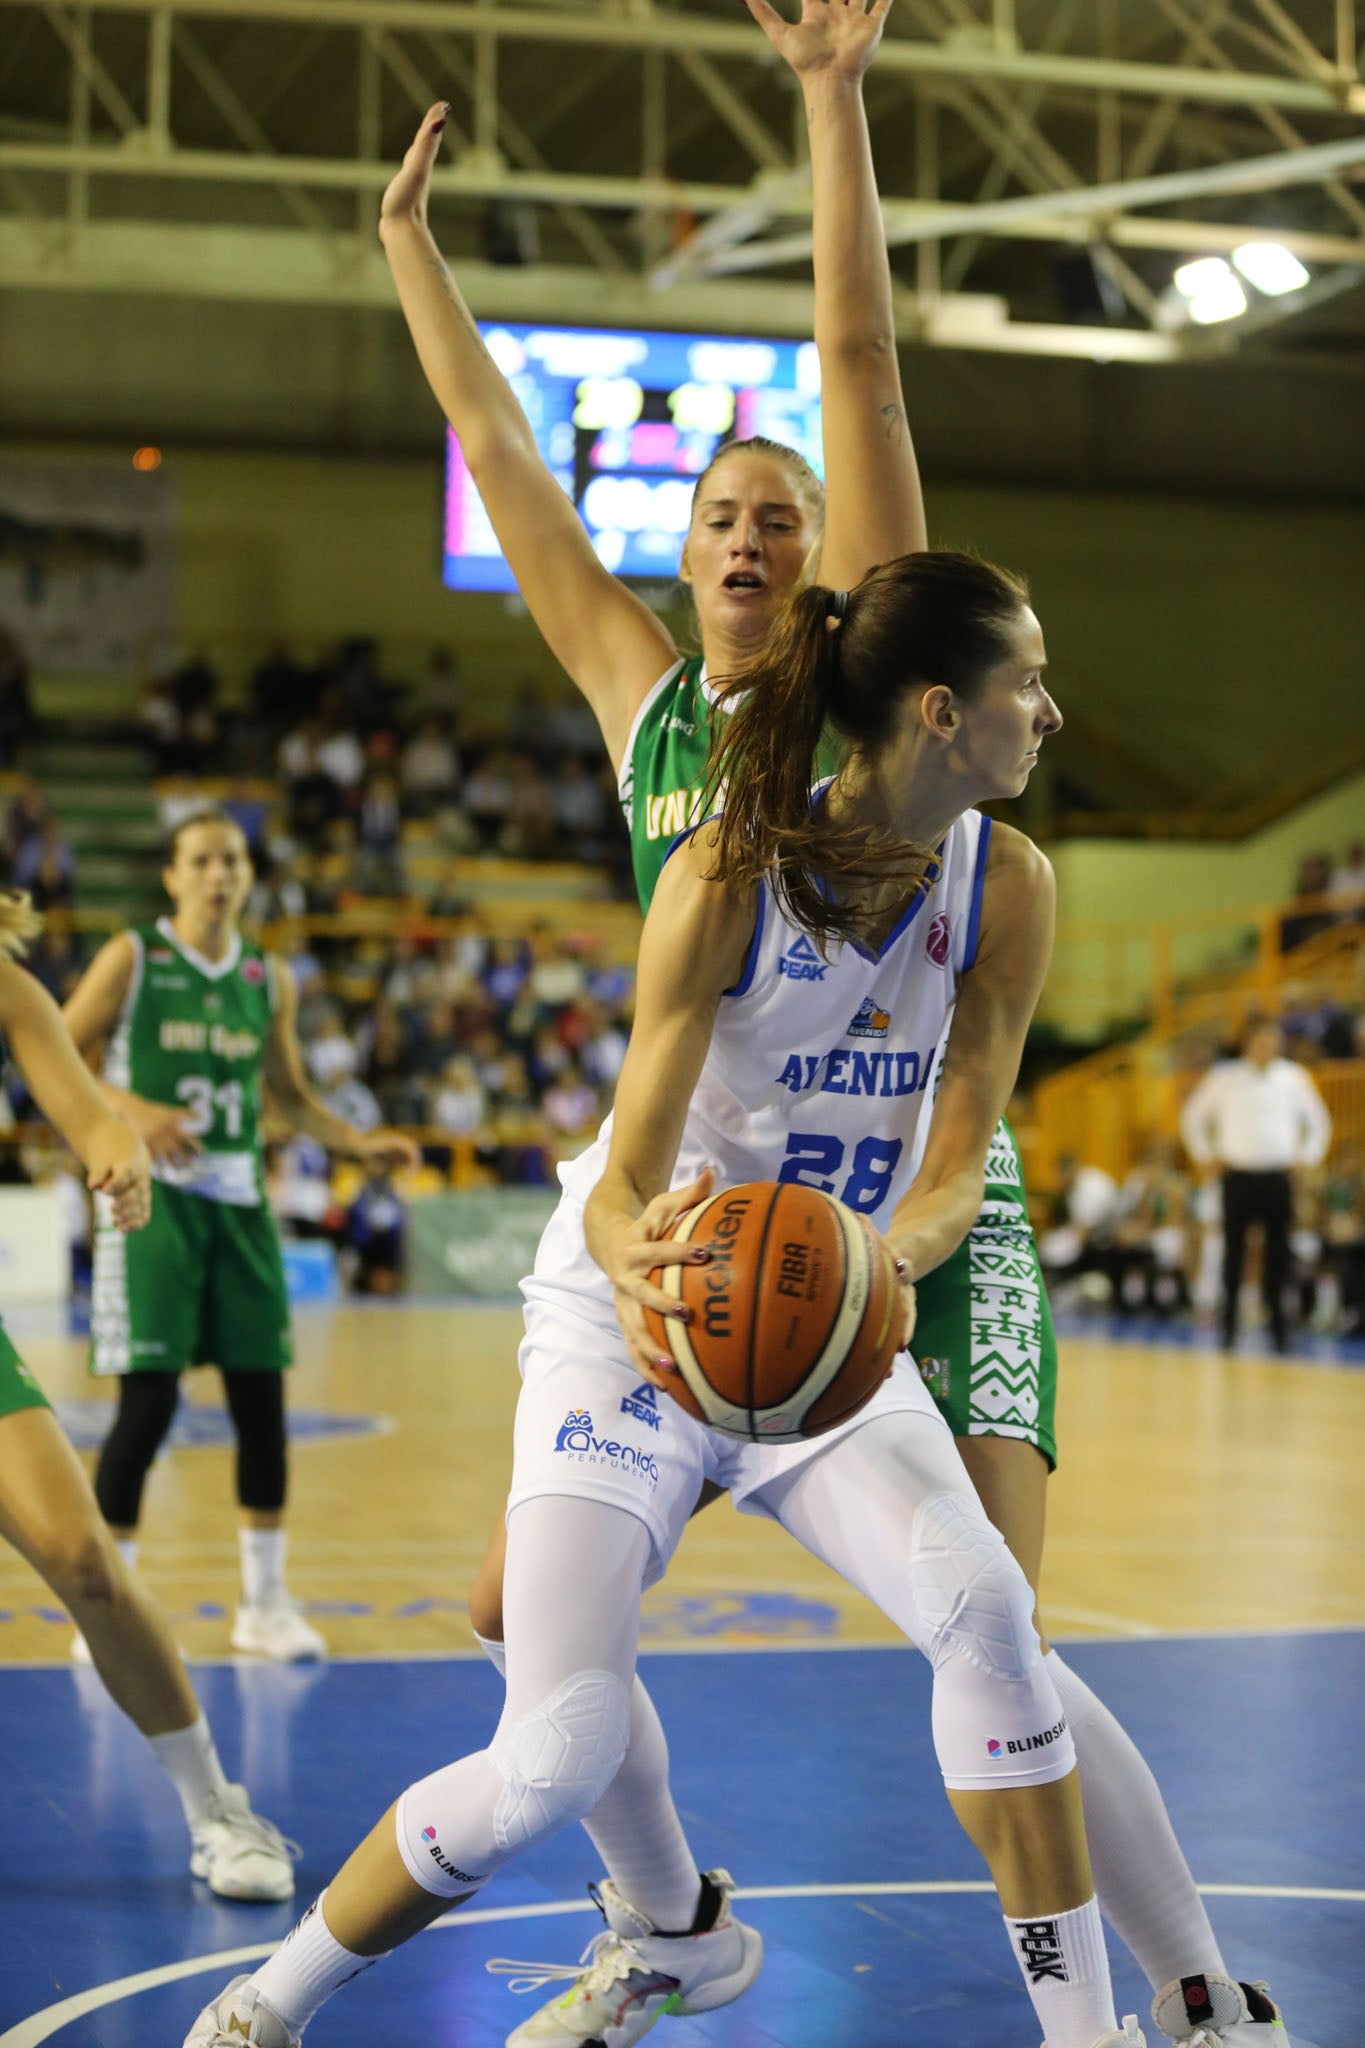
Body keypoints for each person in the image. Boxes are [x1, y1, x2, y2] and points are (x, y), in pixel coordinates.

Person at [369, 12, 1285, 2046]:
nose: (755, 537)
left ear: (823, 573)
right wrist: (408, 254)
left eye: (783, 515)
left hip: (916, 1202)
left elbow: (860, 366)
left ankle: (1192, 1992)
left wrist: (827, 99)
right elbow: (508, 458)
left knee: (1001, 1633)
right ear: (682, 562)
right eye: (720, 516)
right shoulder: (645, 714)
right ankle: (662, 1921)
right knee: (531, 1632)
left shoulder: (894, 673)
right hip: (709, 1231)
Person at [189, 544, 1160, 2048]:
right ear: (936, 712)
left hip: (816, 1314)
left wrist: (872, 1267)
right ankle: (267, 2005)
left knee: (985, 1605)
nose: (1050, 712)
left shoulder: (1008, 886)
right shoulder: (726, 869)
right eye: (1023, 683)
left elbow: (959, 1164)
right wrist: (647, 1252)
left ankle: (1091, 2032)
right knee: (550, 1752)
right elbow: (628, 1169)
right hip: (640, 1312)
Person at [62, 810, 419, 1661]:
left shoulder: (268, 976)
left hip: (240, 1207)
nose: (218, 874)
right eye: (201, 860)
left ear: (248, 875)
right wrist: (133, 1112)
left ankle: (263, 1606)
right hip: (153, 1207)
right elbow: (57, 1054)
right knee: (146, 1408)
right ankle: (110, 1620)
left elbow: (288, 1096)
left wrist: (356, 1140)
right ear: (172, 876)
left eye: (232, 860)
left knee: (262, 1411)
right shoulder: (133, 958)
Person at [0, 889, 294, 1902]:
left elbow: (90, 1112)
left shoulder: (8, 983)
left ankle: (217, 1805)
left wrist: (118, 1160)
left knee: (84, 1559)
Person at [1180, 1015, 1332, 1351]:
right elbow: (1193, 1116)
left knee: (1279, 1256)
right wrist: (1205, 1154)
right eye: (1260, 1038)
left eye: (1272, 1038)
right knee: (1232, 1254)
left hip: (1278, 1178)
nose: (1267, 1044)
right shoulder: (1225, 1078)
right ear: (1248, 1041)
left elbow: (1319, 1121)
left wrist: (1307, 1157)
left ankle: (1279, 1329)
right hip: (1237, 1177)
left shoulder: (1293, 1078)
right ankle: (1229, 1329)